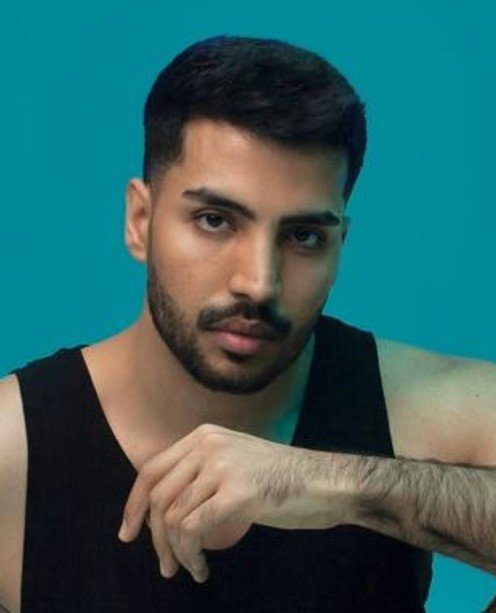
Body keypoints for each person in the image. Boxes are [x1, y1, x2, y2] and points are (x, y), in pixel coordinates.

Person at [0, 34, 495, 613]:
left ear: (340, 244)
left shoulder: (424, 405)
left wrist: (342, 485)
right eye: (215, 220)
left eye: (304, 236)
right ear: (140, 220)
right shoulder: (14, 447)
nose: (259, 283)